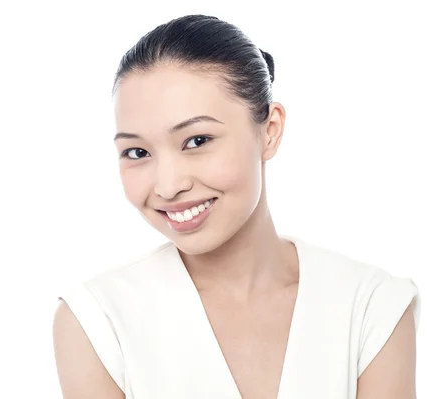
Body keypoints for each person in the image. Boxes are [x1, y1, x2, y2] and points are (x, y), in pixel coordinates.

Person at [52, 14, 420, 399]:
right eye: (137, 151)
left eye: (197, 140)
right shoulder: (96, 322)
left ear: (270, 131)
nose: (168, 185)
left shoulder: (370, 307)